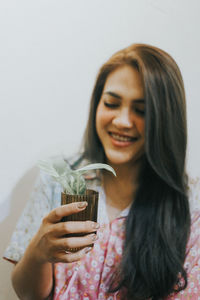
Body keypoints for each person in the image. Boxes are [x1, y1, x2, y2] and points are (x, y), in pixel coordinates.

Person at [3, 43, 200, 300]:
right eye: (111, 103)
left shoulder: (189, 204)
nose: (122, 121)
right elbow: (29, 294)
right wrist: (39, 253)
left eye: (142, 111)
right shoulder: (60, 179)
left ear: (165, 119)